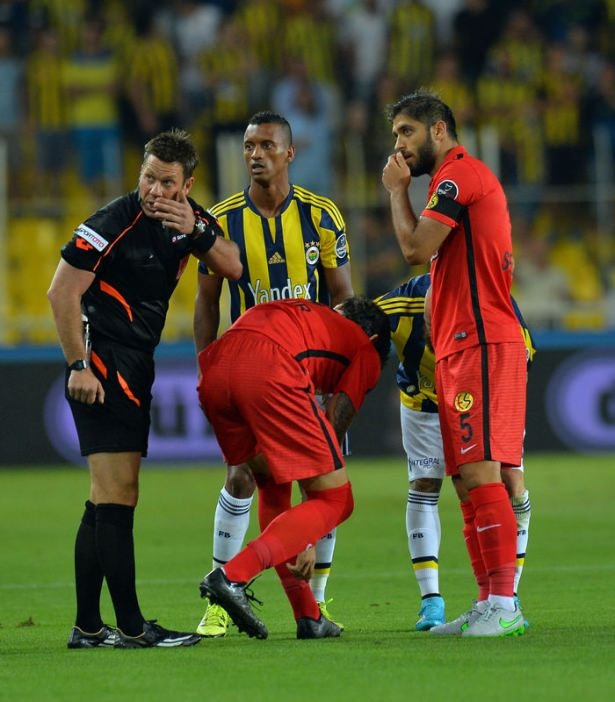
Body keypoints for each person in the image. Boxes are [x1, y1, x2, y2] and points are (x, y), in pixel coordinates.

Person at [47, 128, 242, 649]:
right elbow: (61, 292)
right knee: (119, 495)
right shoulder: (112, 222)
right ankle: (133, 628)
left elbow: (232, 264)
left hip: (136, 364)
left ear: (187, 185)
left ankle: (89, 627)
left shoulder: (190, 221)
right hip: (103, 364)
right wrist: (78, 365)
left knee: (103, 499)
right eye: (148, 178)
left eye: (167, 182)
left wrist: (196, 230)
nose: (155, 191)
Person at [193, 110, 353, 637]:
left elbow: (343, 299)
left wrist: (333, 379)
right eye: (248, 146)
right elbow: (206, 303)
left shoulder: (322, 216)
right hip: (250, 378)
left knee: (319, 487)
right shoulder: (221, 221)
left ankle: (315, 604)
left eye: (266, 145)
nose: (255, 154)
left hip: (307, 377)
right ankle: (218, 604)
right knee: (243, 476)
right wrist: (206, 366)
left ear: (290, 153)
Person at [381, 89, 528, 636]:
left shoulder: (459, 175)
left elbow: (415, 250)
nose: (399, 145)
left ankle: (506, 605)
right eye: (396, 134)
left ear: (438, 130)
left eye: (407, 132)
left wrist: (396, 193)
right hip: (460, 346)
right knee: (466, 481)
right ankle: (488, 601)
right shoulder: (454, 181)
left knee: (482, 473)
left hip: (481, 342)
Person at [197, 297, 391, 640]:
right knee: (337, 499)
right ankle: (231, 576)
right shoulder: (366, 349)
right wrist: (307, 538)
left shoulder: (305, 312)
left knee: (271, 485)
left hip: (215, 368)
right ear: (374, 338)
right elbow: (331, 433)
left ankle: (308, 616)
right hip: (269, 367)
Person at [375, 273, 534, 631]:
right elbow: (360, 325)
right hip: (425, 401)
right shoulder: (401, 304)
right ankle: (433, 600)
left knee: (508, 484)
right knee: (433, 486)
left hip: (486, 396)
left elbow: (524, 351)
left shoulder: (488, 298)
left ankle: (507, 596)